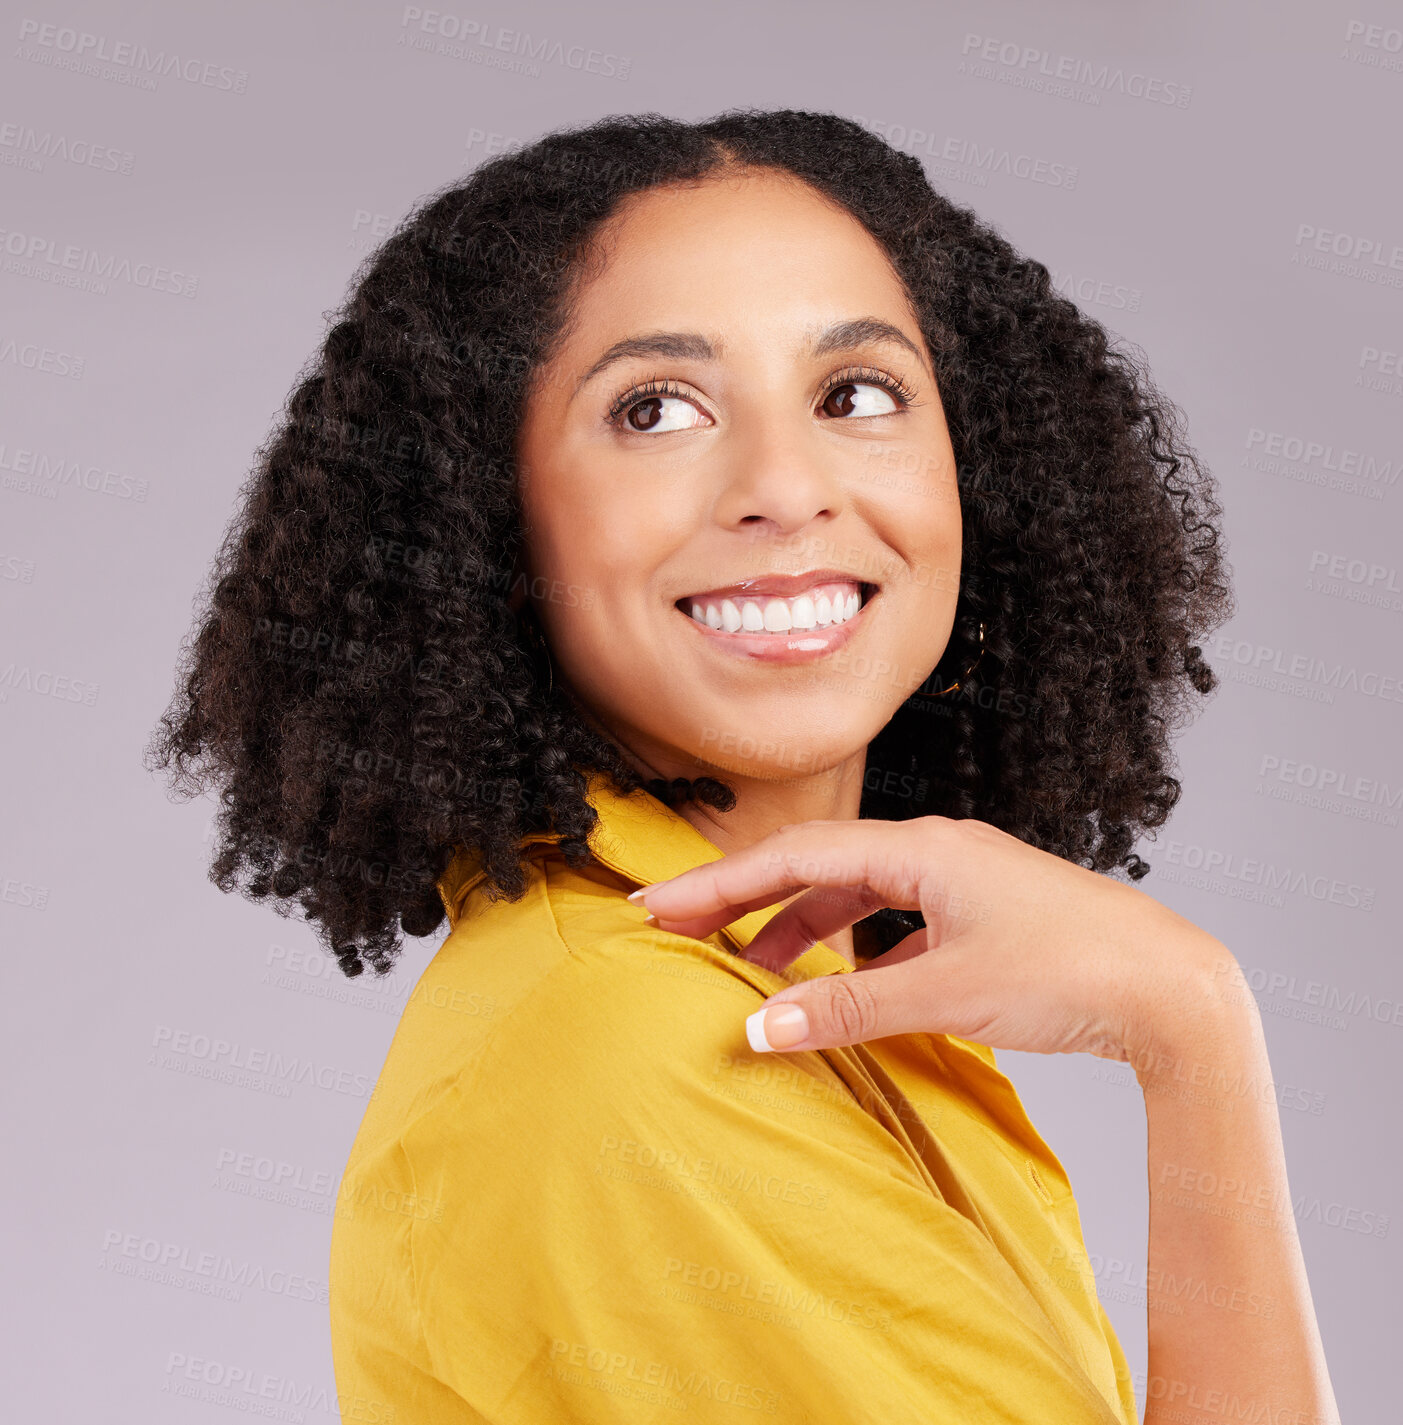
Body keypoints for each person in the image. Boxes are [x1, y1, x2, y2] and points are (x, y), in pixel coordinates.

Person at [147, 109, 1338, 1422]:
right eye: (654, 410)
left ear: (981, 474)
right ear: (491, 520)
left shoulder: (793, 980)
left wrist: (1189, 1024)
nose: (786, 484)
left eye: (857, 395)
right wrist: (1196, 1028)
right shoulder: (640, 1059)